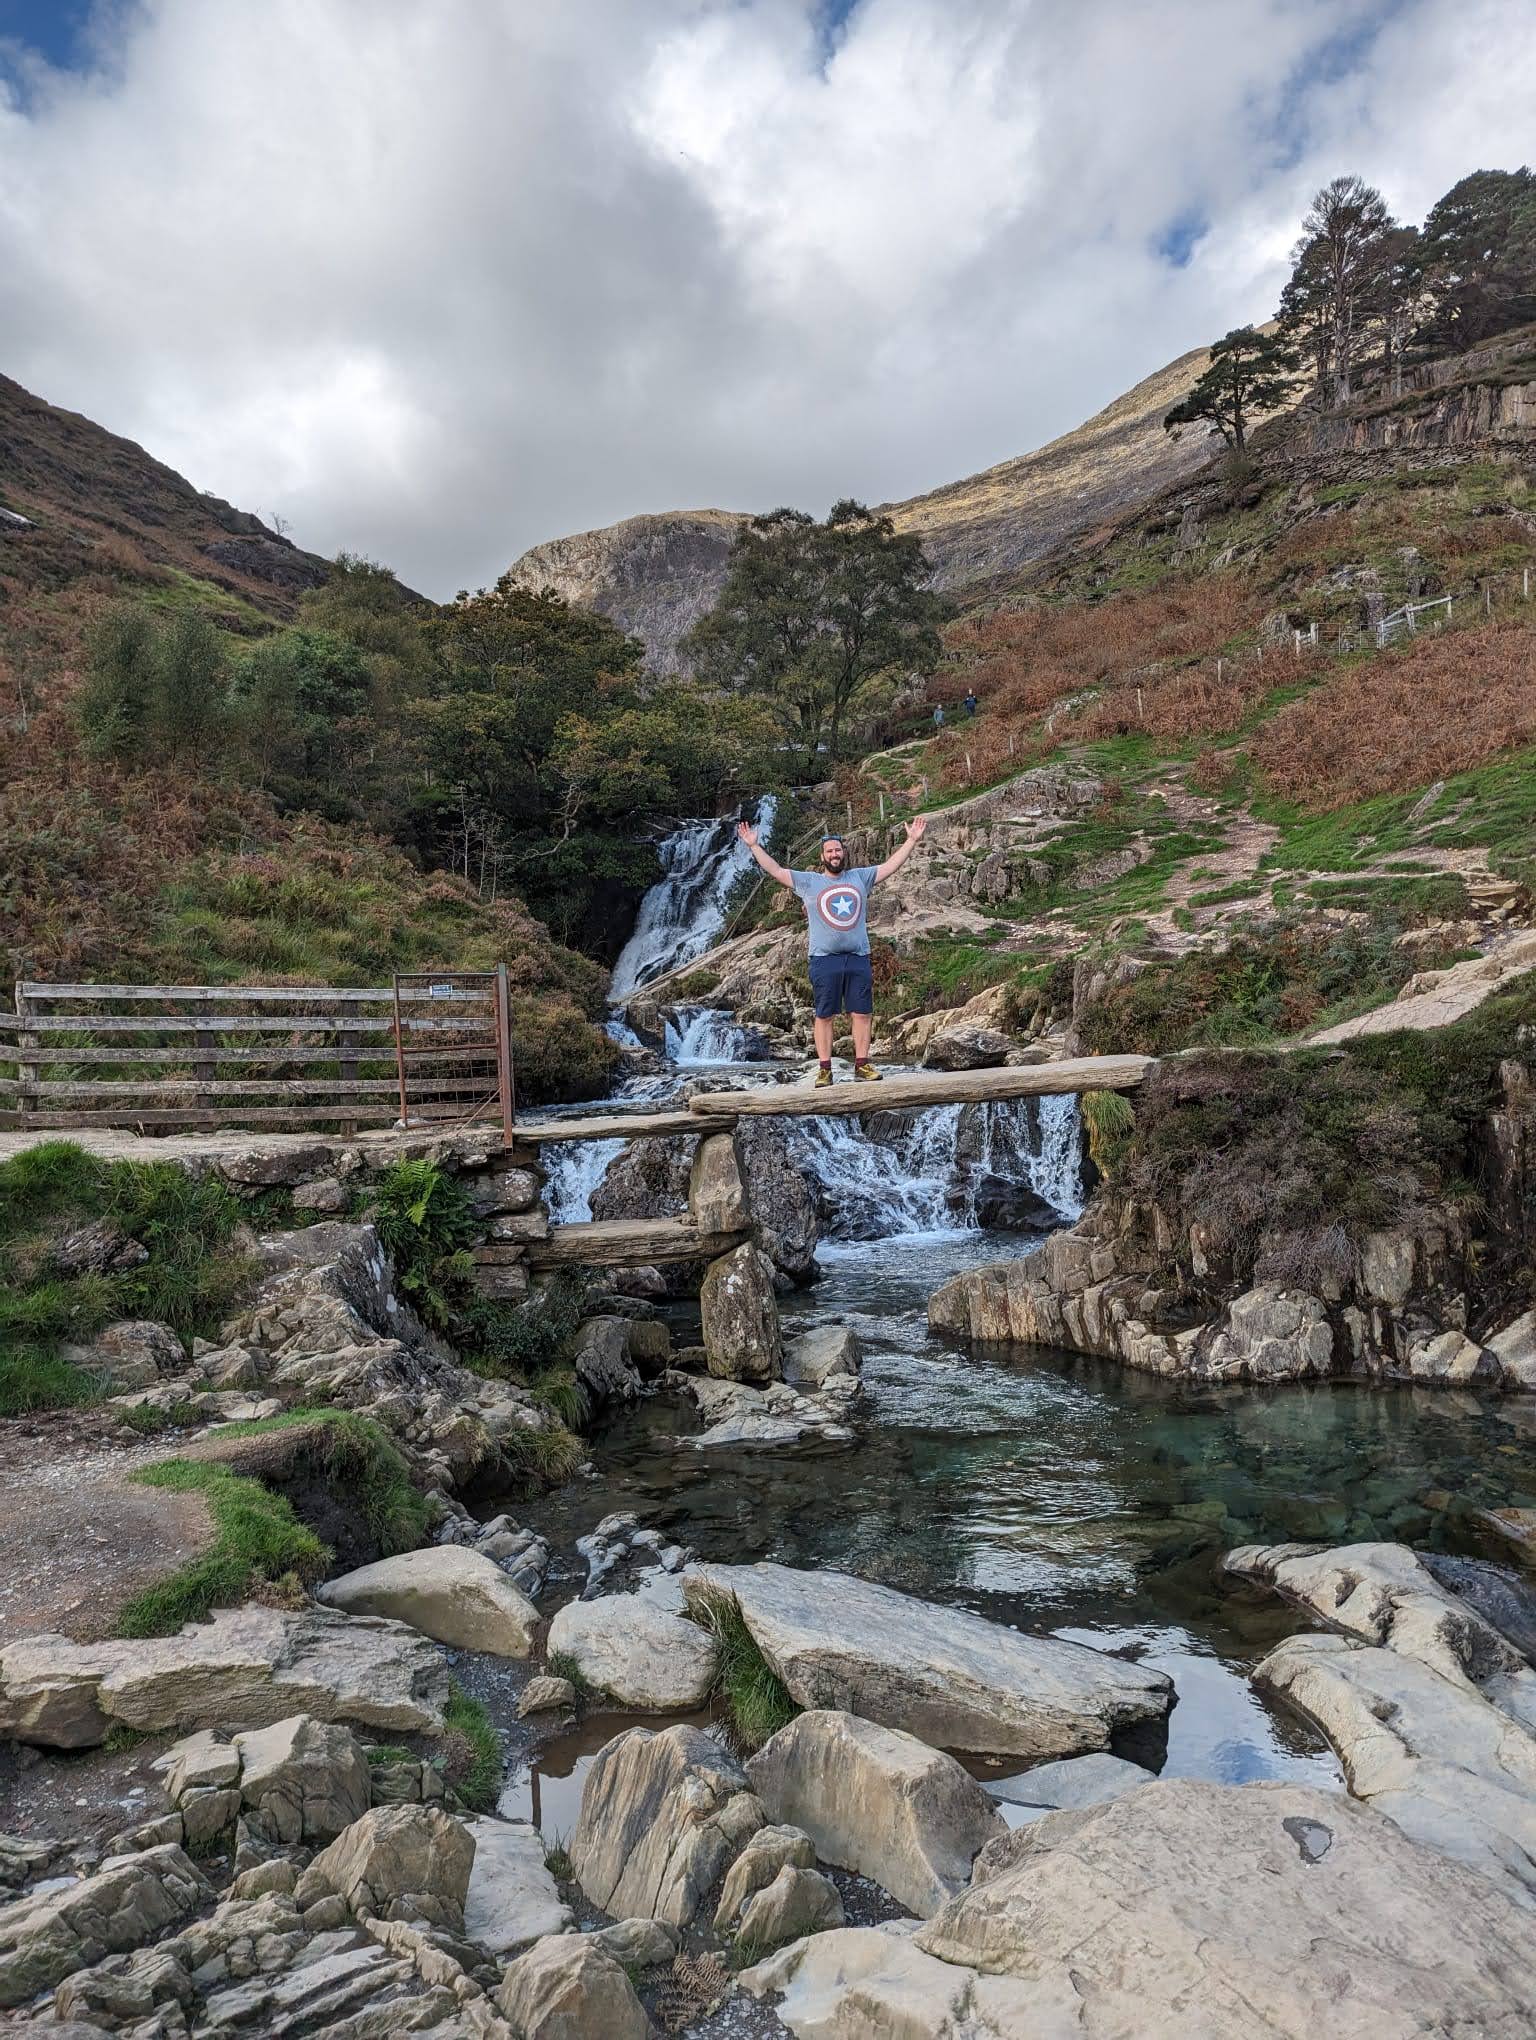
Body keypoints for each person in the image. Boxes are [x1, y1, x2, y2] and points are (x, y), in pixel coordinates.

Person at [735, 816, 926, 1086]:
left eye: (838, 850)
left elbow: (890, 866)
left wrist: (911, 840)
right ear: (822, 856)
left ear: (843, 853)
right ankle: (825, 1069)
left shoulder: (860, 877)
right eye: (830, 851)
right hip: (824, 959)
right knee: (824, 1014)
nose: (835, 854)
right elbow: (776, 870)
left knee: (862, 1013)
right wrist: (754, 846)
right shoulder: (809, 881)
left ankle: (862, 1064)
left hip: (858, 956)